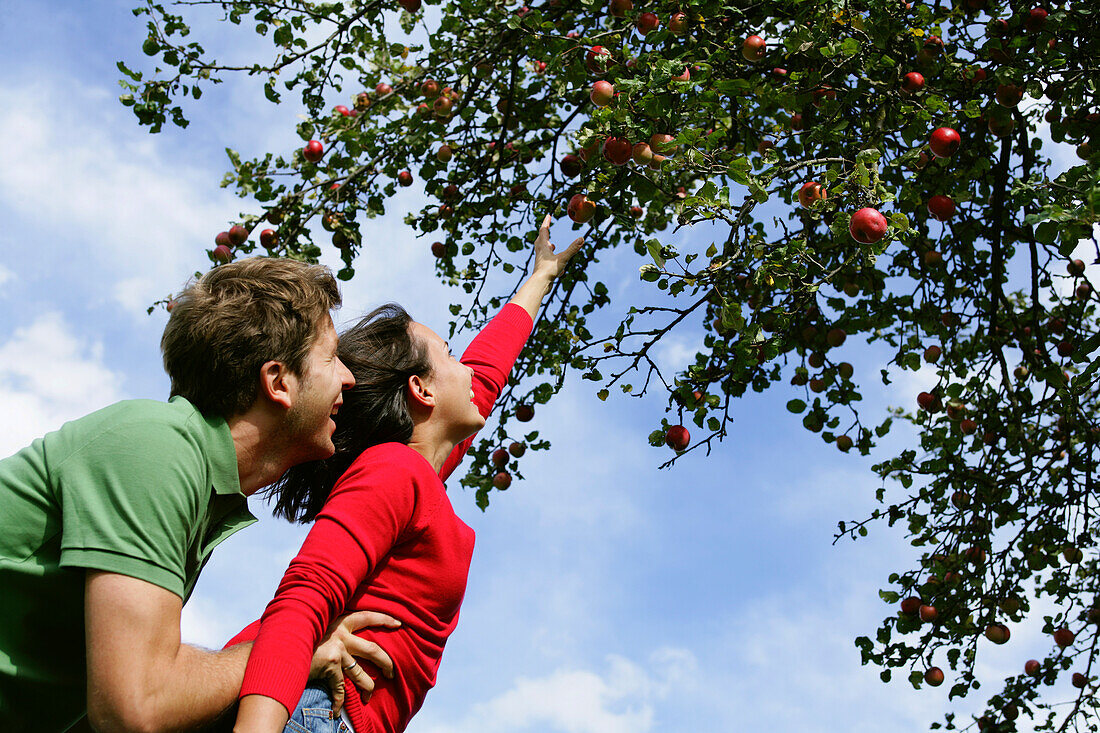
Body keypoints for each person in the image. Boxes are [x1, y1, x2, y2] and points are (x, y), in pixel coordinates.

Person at [0, 257, 397, 733]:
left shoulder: (199, 485)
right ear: (277, 382)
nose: (348, 380)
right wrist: (288, 650)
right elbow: (136, 706)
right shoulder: (156, 445)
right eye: (331, 358)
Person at [226, 216, 583, 733]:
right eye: (450, 355)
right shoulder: (395, 469)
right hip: (308, 711)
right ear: (423, 391)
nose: (467, 370)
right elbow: (304, 594)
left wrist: (541, 276)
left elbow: (487, 372)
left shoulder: (416, 473)